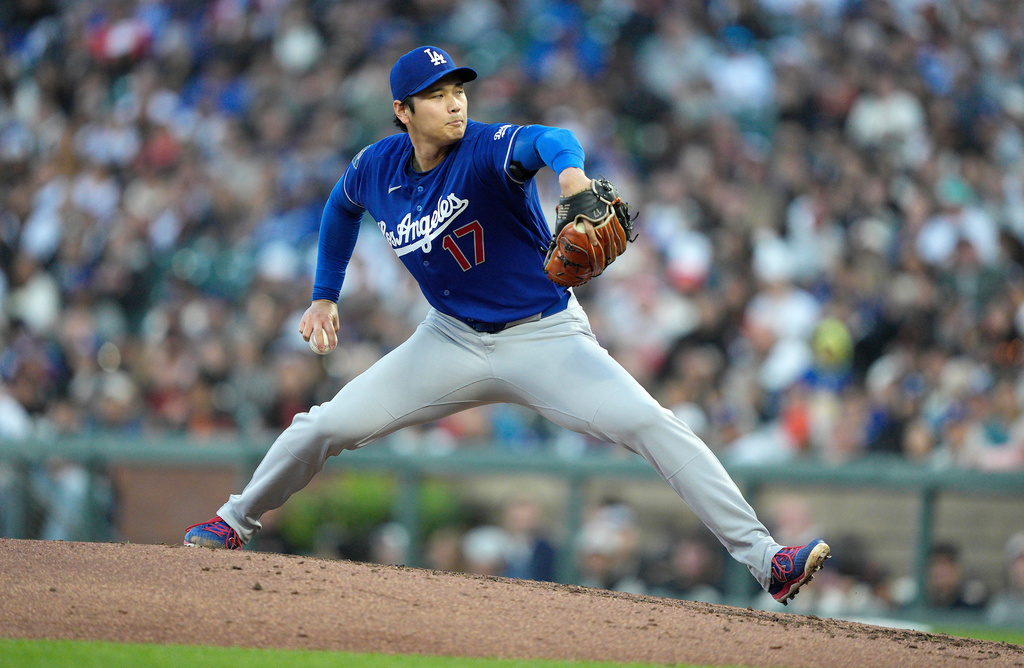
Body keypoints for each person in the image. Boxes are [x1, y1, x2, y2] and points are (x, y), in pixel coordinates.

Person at [183, 45, 830, 605]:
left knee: (653, 424)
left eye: (457, 90)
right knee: (323, 425)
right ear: (402, 112)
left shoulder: (488, 149)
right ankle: (232, 521)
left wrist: (571, 175)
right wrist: (325, 294)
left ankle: (766, 560)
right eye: (434, 97)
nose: (454, 104)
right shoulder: (377, 167)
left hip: (544, 336)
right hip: (450, 339)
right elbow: (340, 206)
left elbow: (549, 138)